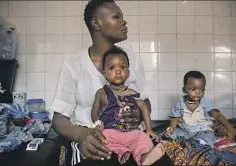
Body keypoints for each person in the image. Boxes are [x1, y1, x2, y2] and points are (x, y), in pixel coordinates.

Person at [51, 0, 173, 165]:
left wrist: (138, 115)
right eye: (117, 17)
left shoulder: (133, 59)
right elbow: (59, 119)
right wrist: (81, 135)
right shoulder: (73, 64)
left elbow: (145, 101)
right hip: (96, 141)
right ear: (97, 23)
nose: (124, 21)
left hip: (132, 137)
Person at [91, 47, 166, 166]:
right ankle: (122, 152)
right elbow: (95, 111)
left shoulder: (132, 92)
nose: (118, 71)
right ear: (105, 73)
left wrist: (149, 128)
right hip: (110, 131)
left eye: (123, 67)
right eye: (112, 68)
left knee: (142, 137)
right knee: (100, 140)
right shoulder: (101, 93)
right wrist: (97, 124)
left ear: (128, 72)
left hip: (130, 132)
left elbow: (144, 108)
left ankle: (144, 157)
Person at [165, 71, 236, 147]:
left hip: (202, 131)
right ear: (184, 89)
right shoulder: (180, 103)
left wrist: (230, 128)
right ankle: (178, 141)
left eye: (202, 89)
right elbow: (175, 118)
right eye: (193, 89)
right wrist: (172, 127)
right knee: (171, 134)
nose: (198, 92)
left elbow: (217, 115)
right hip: (185, 131)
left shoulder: (204, 102)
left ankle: (194, 143)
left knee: (209, 135)